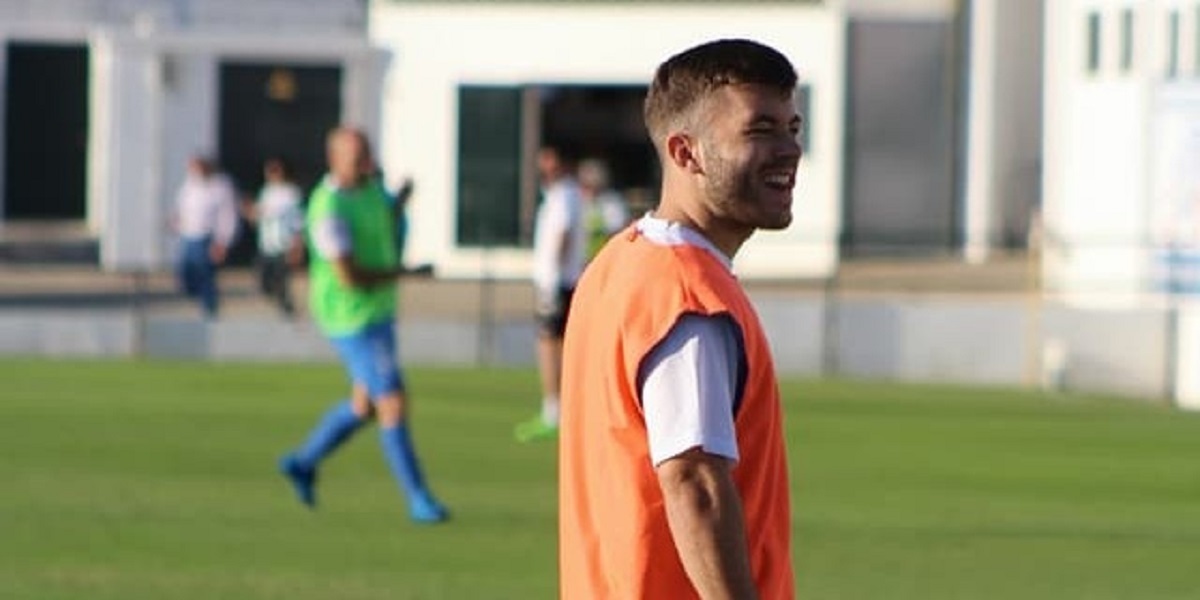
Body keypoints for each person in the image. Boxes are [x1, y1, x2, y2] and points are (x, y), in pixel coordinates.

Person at [559, 39, 802, 598]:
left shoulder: (619, 264)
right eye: (760, 130)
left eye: (792, 128)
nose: (789, 150)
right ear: (685, 152)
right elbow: (693, 482)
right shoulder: (687, 294)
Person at [277, 126, 448, 524]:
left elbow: (386, 217)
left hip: (376, 311)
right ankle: (419, 499)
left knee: (364, 404)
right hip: (351, 316)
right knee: (392, 402)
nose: (367, 165)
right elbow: (349, 276)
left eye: (368, 156)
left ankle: (303, 462)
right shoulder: (328, 210)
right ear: (334, 161)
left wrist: (401, 201)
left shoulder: (371, 189)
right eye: (358, 160)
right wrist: (404, 274)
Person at [514, 145, 586, 443]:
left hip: (558, 282)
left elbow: (563, 235)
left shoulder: (566, 194)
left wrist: (553, 277)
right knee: (553, 341)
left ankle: (554, 409)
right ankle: (558, 407)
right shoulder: (556, 195)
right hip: (555, 280)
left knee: (550, 343)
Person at [170, 155, 239, 319]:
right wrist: (176, 221)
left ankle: (209, 310)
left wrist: (222, 242)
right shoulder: (189, 185)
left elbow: (227, 216)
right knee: (186, 275)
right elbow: (182, 207)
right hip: (188, 236)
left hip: (206, 238)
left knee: (205, 275)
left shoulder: (220, 187)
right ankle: (201, 299)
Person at [241, 158, 304, 317]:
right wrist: (250, 213)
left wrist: (297, 244)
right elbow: (260, 214)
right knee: (263, 279)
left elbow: (297, 220)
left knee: (281, 279)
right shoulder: (266, 191)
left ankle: (288, 311)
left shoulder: (291, 193)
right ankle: (278, 299)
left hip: (283, 244)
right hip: (266, 244)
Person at [577, 157, 631, 261]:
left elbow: (617, 231)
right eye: (584, 184)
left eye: (589, 185)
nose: (585, 190)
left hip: (604, 258)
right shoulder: (577, 200)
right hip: (580, 260)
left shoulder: (613, 201)